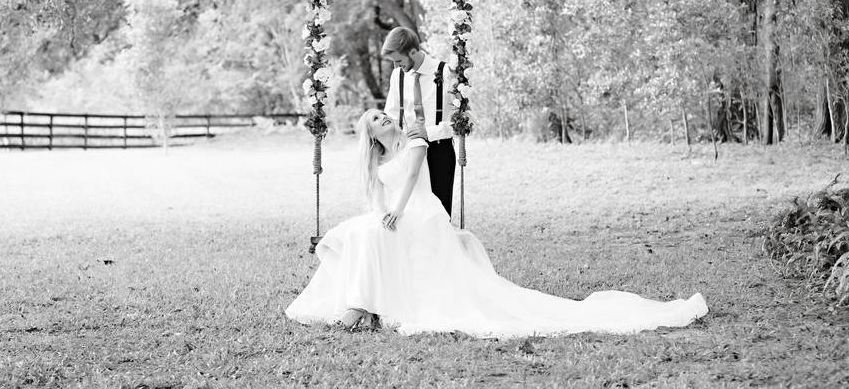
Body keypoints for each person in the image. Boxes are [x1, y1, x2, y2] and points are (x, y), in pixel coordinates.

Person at [285, 109, 708, 338]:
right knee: (358, 231)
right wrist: (382, 212)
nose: (384, 119)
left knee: (377, 234)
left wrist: (393, 210)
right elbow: (377, 197)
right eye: (376, 120)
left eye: (383, 114)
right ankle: (361, 305)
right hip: (399, 215)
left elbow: (413, 177)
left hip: (422, 214)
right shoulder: (378, 159)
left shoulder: (413, 138)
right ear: (371, 136)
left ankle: (363, 307)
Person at [380, 27, 457, 217]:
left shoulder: (445, 72)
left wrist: (428, 133)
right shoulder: (397, 75)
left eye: (399, 60)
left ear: (413, 51)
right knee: (410, 213)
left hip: (439, 153)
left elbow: (459, 122)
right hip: (407, 153)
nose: (397, 66)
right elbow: (390, 114)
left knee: (439, 214)